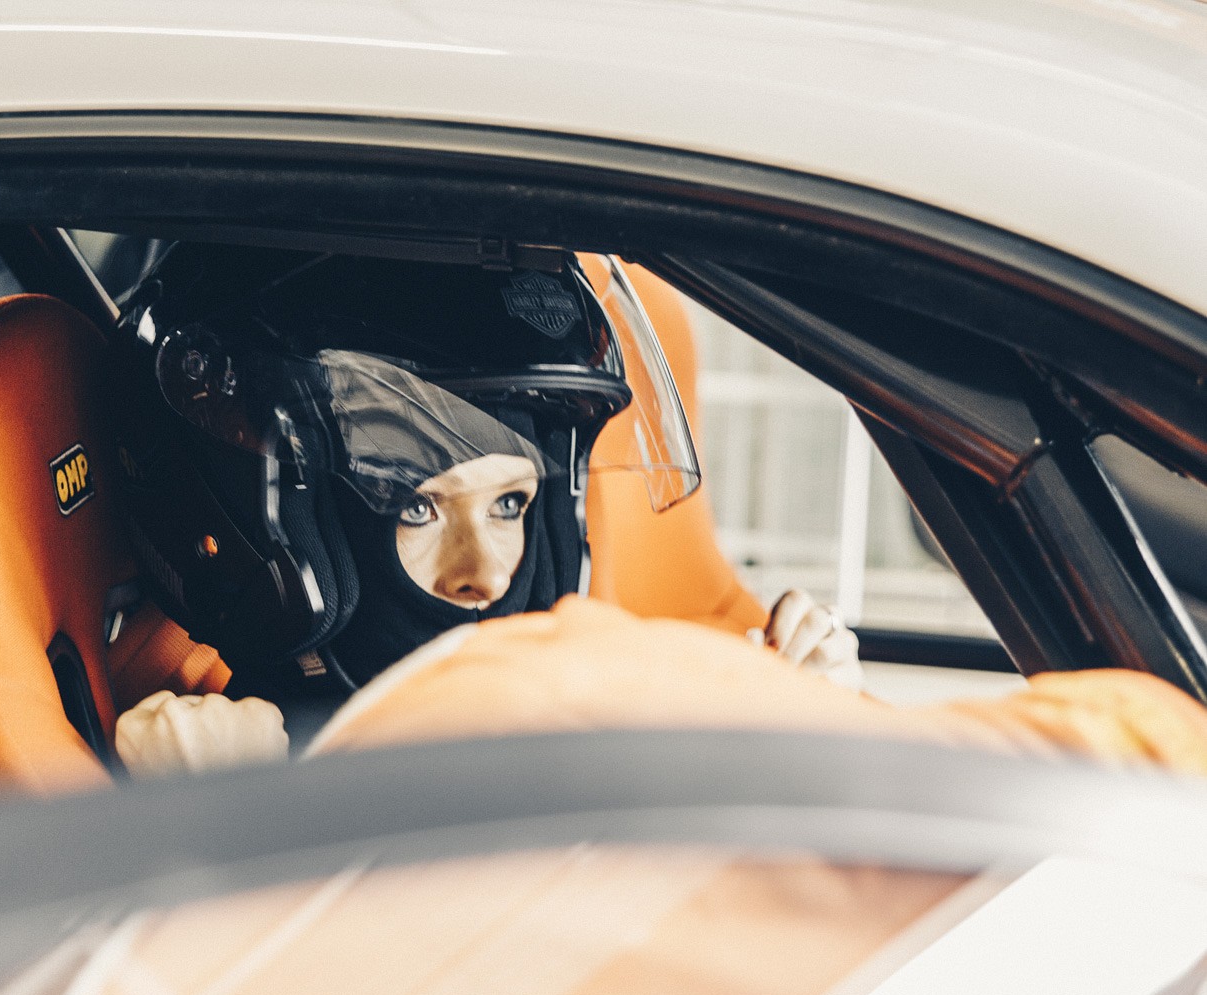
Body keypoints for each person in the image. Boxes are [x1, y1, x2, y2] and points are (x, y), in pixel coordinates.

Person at [106, 243, 861, 772]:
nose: (490, 576)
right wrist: (206, 820)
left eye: (509, 504)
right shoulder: (214, 758)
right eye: (419, 509)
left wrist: (802, 716)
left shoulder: (572, 714)